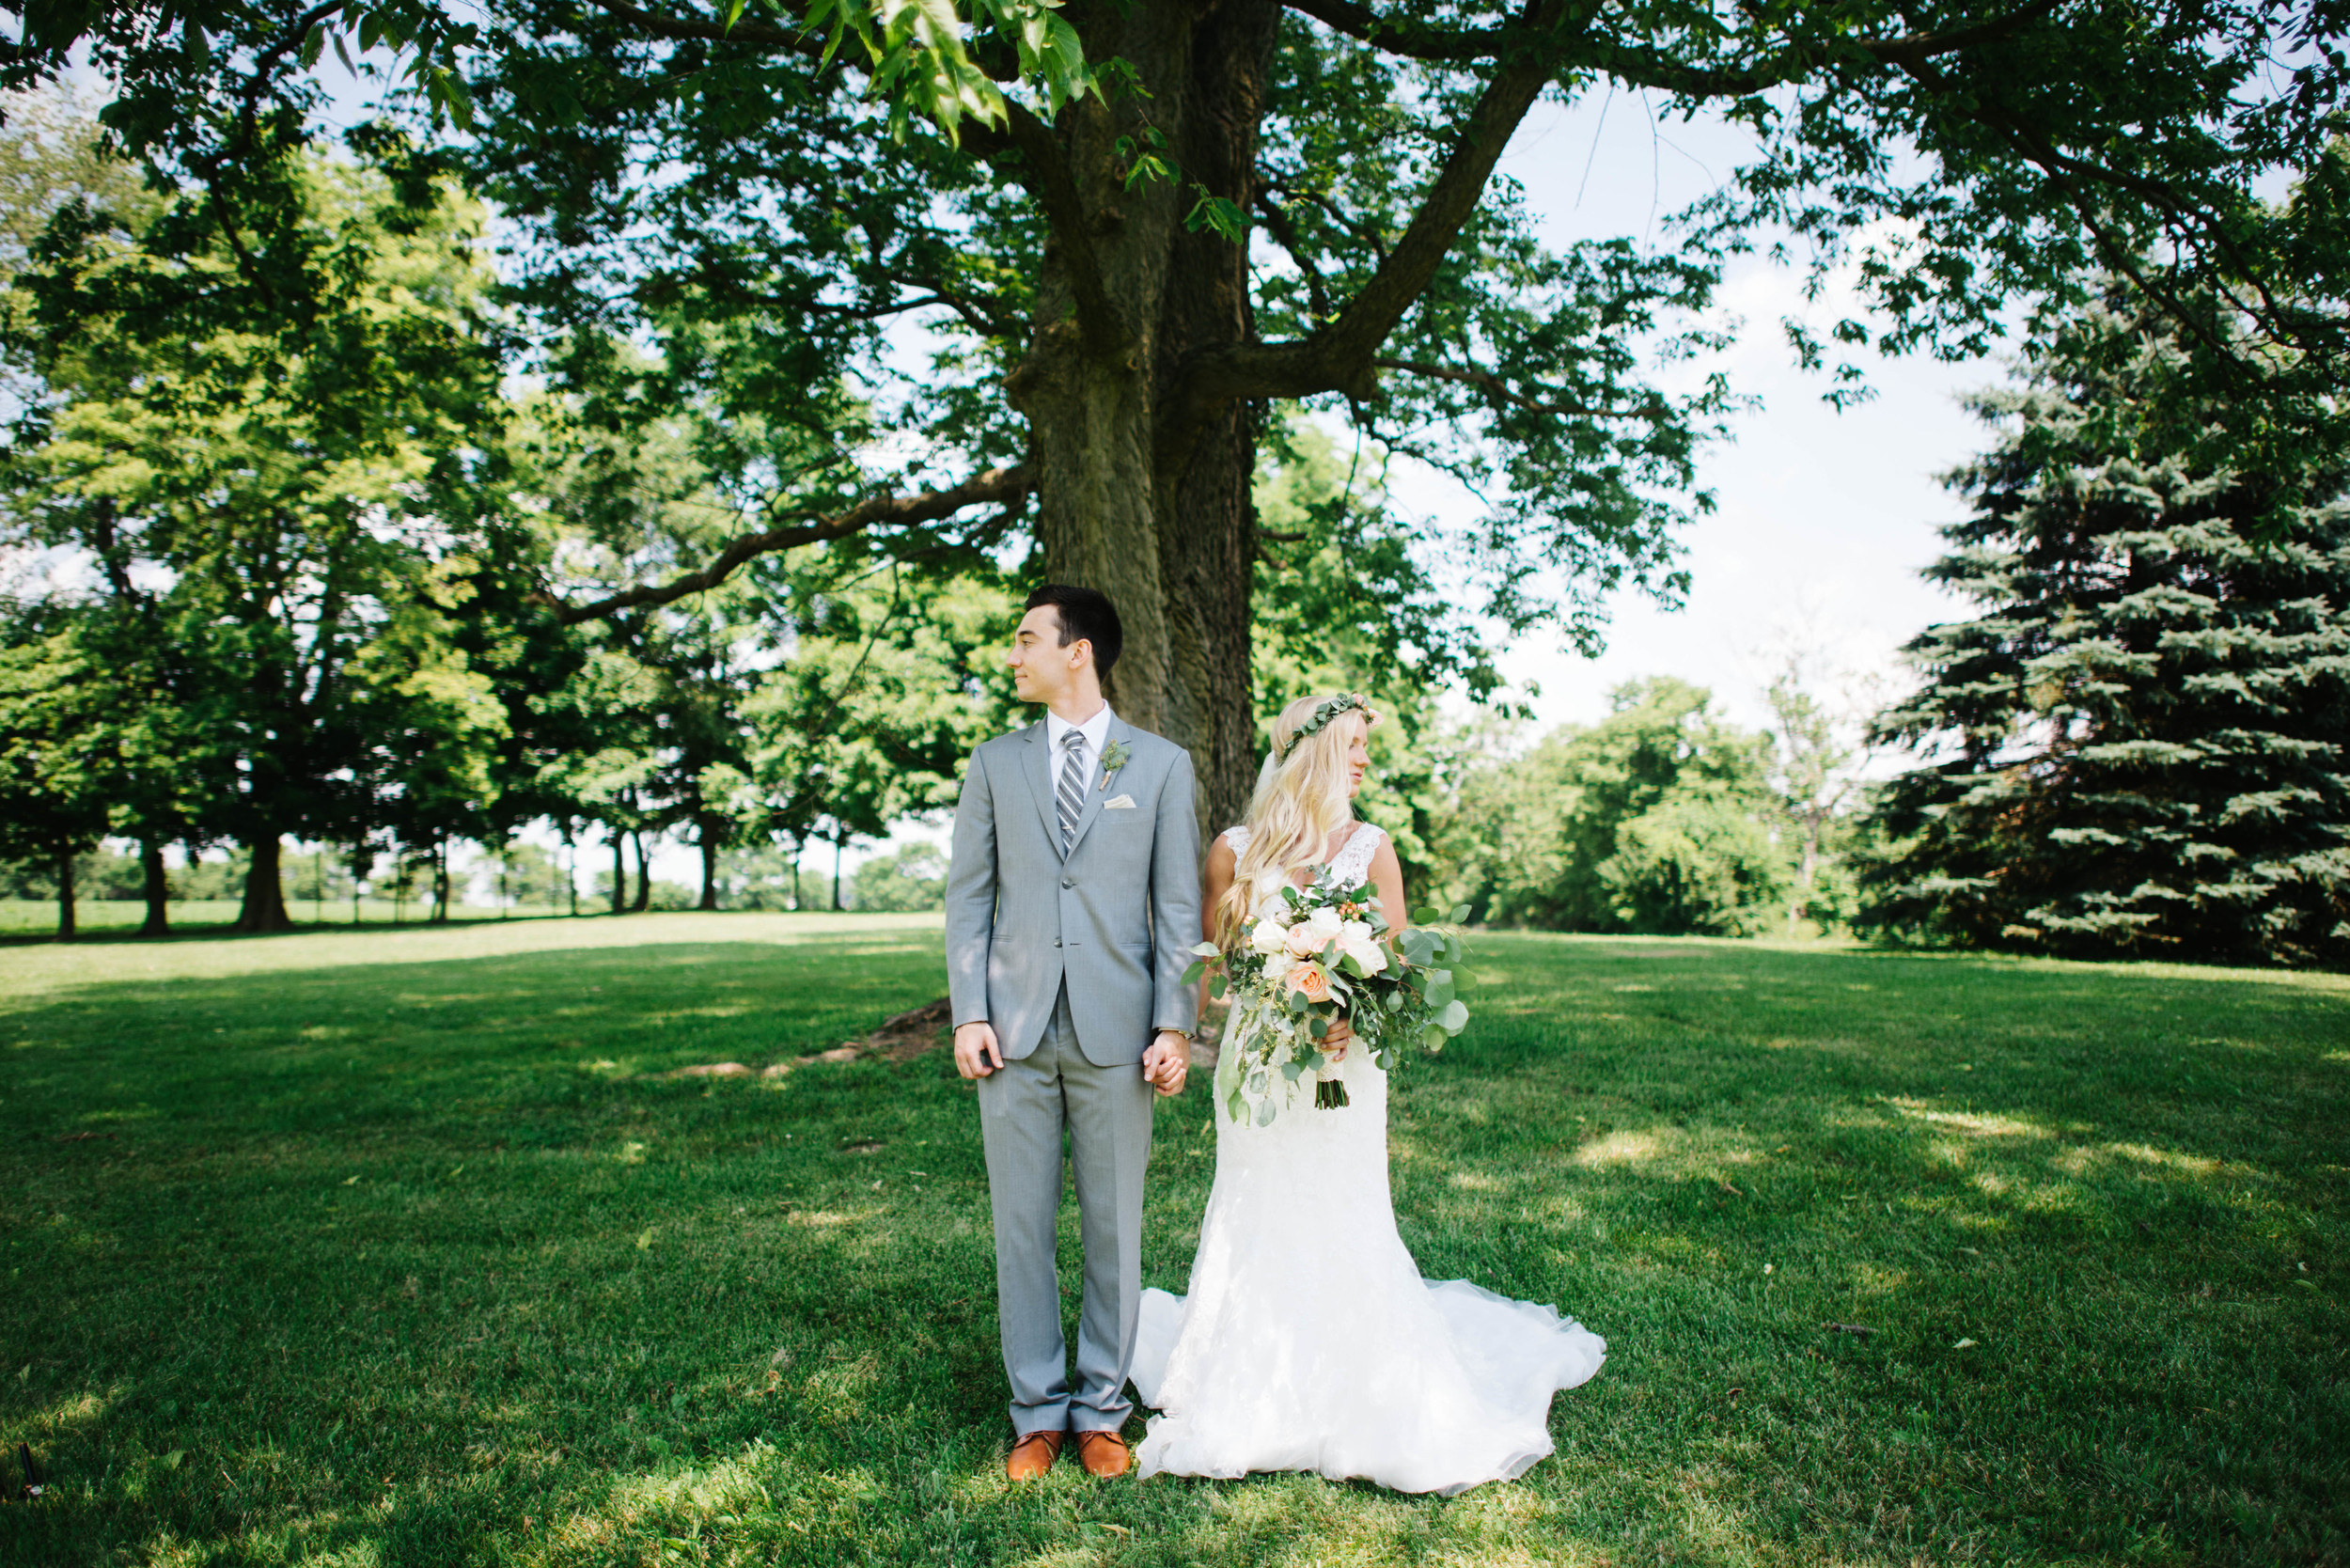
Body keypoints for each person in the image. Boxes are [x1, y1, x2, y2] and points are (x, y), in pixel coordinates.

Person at [1129, 692, 1606, 1494]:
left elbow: (1392, 969)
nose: (1363, 759)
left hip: (1344, 1068)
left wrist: (1348, 1006)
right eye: (1351, 744)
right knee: (1256, 1199)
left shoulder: (1373, 847)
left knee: (1345, 1203)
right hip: (1259, 1061)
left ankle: (1360, 1377)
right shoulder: (1234, 852)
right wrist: (1255, 992)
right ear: (1310, 751)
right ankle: (1246, 1372)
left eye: (1364, 747)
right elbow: (1215, 972)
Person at [945, 584, 1202, 1482]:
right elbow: (970, 898)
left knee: (1112, 1227)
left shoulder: (1161, 766)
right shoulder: (993, 763)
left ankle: (1099, 1411)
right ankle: (1034, 1415)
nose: (1013, 656)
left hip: (1118, 1030)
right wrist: (969, 1011)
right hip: (1011, 1030)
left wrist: (1176, 1023)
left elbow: (1177, 907)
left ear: (1078, 650)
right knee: (1020, 1226)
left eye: (1026, 640)